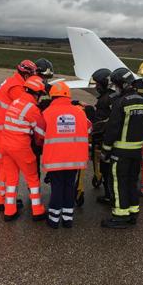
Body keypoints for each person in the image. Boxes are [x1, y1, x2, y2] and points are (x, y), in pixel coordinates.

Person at [0, 60, 37, 211]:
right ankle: (4, 200)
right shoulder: (17, 87)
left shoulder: (13, 80)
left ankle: (2, 199)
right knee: (7, 165)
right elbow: (27, 107)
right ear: (26, 75)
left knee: (5, 164)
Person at [100, 68, 143, 229]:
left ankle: (120, 216)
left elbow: (112, 129)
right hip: (136, 152)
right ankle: (132, 212)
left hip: (120, 152)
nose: (115, 88)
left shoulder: (120, 102)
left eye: (116, 85)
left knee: (118, 183)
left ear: (121, 84)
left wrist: (105, 151)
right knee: (131, 182)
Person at [41, 82, 91, 229]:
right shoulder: (80, 112)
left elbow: (39, 134)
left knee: (57, 187)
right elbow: (89, 128)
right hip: (75, 159)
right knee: (70, 186)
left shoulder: (47, 113)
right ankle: (68, 219)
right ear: (68, 96)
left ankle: (53, 220)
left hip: (55, 159)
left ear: (52, 96)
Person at [0, 76, 48, 221]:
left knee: (11, 179)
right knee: (32, 178)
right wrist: (41, 144)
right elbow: (40, 133)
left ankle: (9, 211)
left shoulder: (16, 102)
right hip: (20, 147)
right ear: (36, 93)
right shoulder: (31, 108)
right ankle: (37, 210)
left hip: (5, 146)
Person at [89, 68, 119, 205]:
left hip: (106, 140)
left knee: (106, 169)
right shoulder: (114, 95)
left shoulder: (106, 99)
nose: (96, 87)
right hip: (113, 139)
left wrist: (91, 125)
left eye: (98, 84)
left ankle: (109, 196)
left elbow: (103, 122)